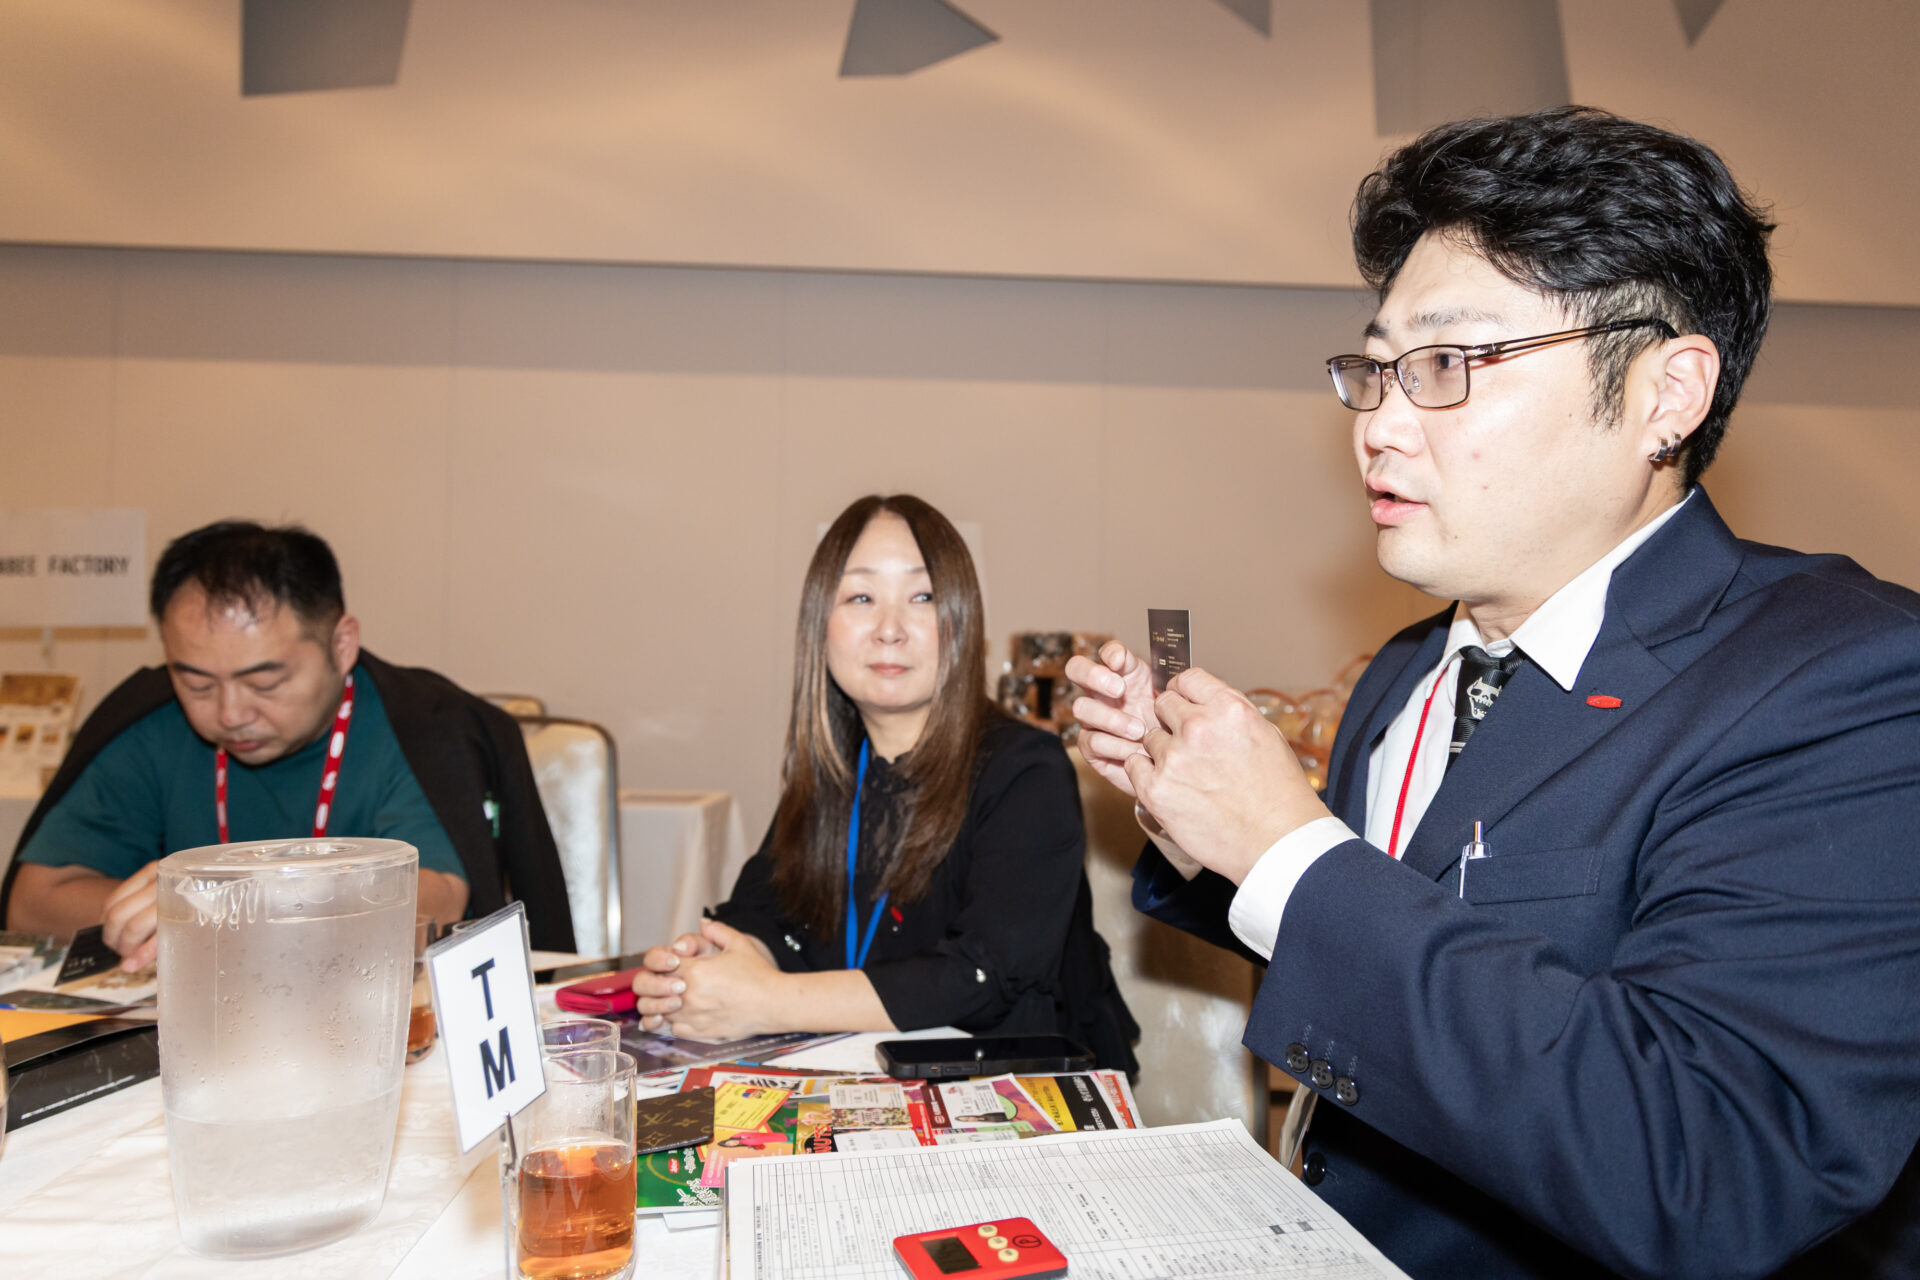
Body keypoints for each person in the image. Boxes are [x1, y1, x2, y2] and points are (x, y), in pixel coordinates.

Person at [1070, 108, 1920, 1278]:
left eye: (1448, 365)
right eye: (1379, 369)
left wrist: (1282, 848)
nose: (1378, 425)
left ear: (1668, 392)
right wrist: (1208, 829)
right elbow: (1395, 956)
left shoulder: (1843, 677)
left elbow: (1712, 1163)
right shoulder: (1410, 666)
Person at [633, 494, 1137, 1071]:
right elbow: (766, 911)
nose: (889, 630)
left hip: (1017, 1086)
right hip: (854, 1078)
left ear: (963, 624)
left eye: (922, 597)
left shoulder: (1026, 770)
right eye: (861, 597)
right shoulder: (837, 763)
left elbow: (982, 975)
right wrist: (707, 966)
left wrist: (767, 1000)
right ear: (820, 625)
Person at [2, 520, 576, 964]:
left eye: (265, 682)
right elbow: (32, 903)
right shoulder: (152, 724)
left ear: (341, 645)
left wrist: (232, 906)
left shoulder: (420, 727)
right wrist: (187, 910)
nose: (230, 713)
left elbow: (438, 898)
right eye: (196, 682)